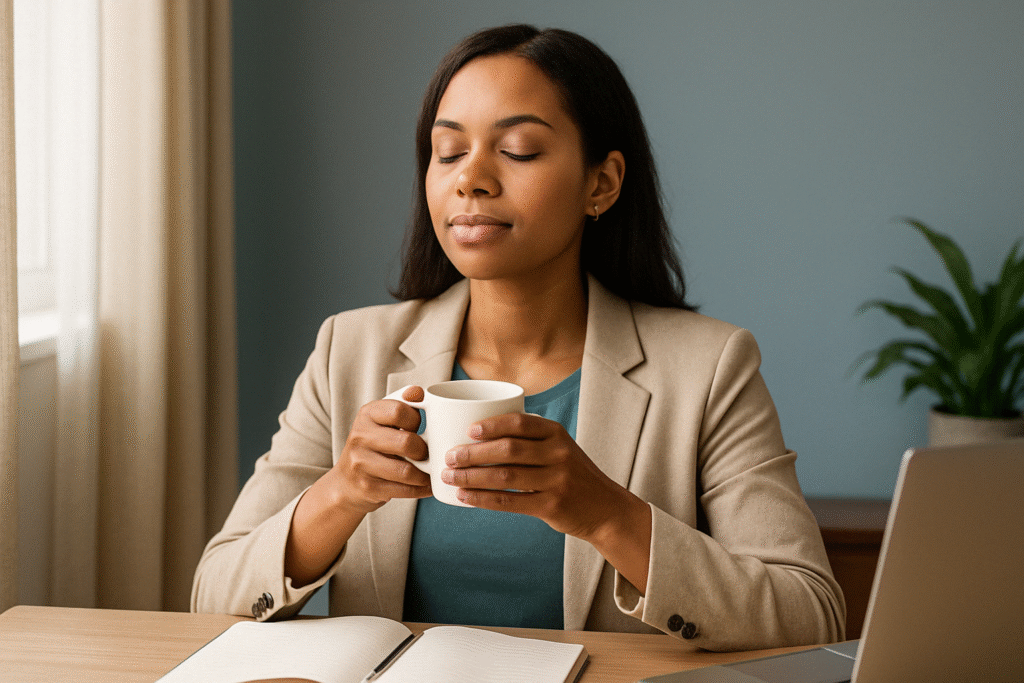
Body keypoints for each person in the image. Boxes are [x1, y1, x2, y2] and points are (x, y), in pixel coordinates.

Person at [192, 24, 845, 651]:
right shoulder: (350, 352)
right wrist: (340, 494)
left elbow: (809, 613)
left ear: (602, 182)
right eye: (447, 152)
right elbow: (213, 596)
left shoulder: (708, 368)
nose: (469, 178)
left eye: (519, 150)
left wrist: (607, 514)